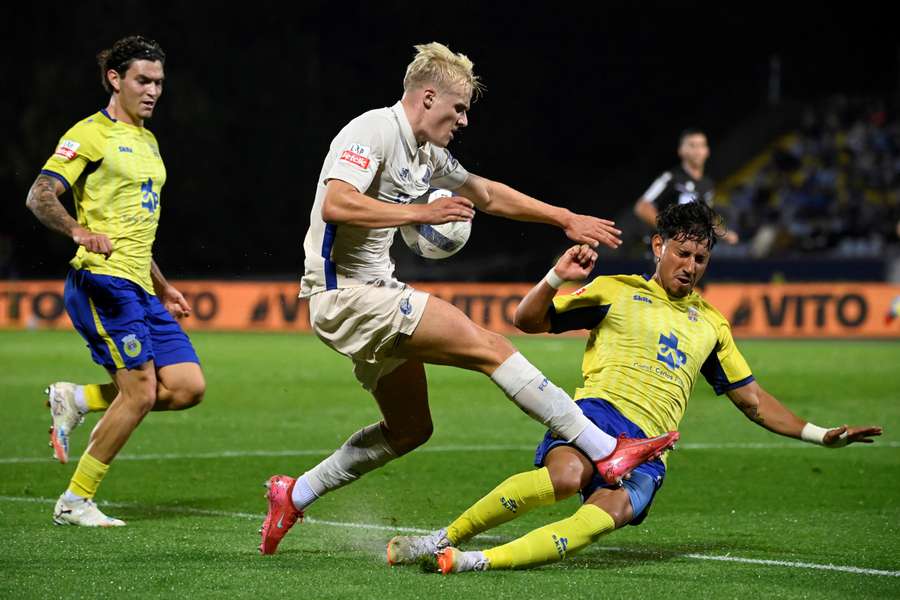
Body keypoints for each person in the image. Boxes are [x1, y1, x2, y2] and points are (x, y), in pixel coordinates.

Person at [258, 42, 678, 554]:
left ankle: (295, 494)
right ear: (427, 97)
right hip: (345, 296)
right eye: (458, 109)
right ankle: (605, 449)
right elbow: (337, 202)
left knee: (411, 429)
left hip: (374, 293)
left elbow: (487, 193)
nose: (463, 120)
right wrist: (422, 214)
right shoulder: (372, 130)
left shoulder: (426, 153)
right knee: (490, 347)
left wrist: (563, 218)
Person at [386, 202, 883, 574]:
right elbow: (527, 320)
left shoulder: (712, 325)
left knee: (605, 516)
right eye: (683, 253)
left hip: (650, 447)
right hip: (598, 415)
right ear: (658, 246)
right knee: (565, 478)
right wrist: (556, 276)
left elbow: (752, 401)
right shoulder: (616, 290)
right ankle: (442, 538)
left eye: (701, 258)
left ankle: (474, 561)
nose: (690, 266)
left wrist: (820, 434)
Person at [25, 36, 205, 527]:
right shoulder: (89, 135)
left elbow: (135, 227)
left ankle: (78, 398)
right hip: (101, 283)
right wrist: (77, 230)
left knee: (187, 387)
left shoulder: (148, 140)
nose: (153, 91)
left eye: (159, 83)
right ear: (115, 79)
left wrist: (163, 285)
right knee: (141, 393)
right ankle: (74, 501)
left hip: (140, 285)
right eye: (143, 81)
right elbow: (40, 194)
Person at [634, 129, 738, 244]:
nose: (697, 151)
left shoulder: (708, 184)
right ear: (681, 151)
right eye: (692, 145)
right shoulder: (671, 178)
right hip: (664, 248)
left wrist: (725, 235)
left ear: (707, 151)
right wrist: (670, 230)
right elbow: (642, 206)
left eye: (701, 145)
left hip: (690, 250)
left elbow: (705, 219)